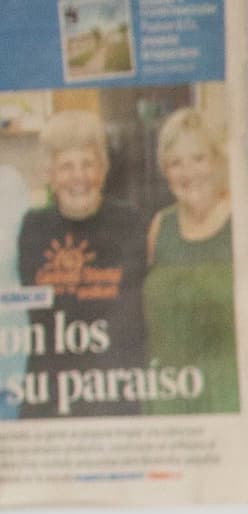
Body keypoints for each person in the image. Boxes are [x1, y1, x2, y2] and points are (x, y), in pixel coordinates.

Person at [13, 108, 145, 417]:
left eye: (88, 164)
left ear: (103, 169)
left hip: (112, 387)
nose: (79, 177)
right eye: (66, 167)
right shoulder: (34, 226)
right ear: (50, 175)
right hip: (50, 390)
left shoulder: (129, 221)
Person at [138, 104, 233, 416]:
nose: (188, 173)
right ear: (165, 171)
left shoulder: (242, 221)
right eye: (176, 163)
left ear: (217, 161)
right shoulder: (159, 227)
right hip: (171, 396)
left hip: (228, 393)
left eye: (198, 158)